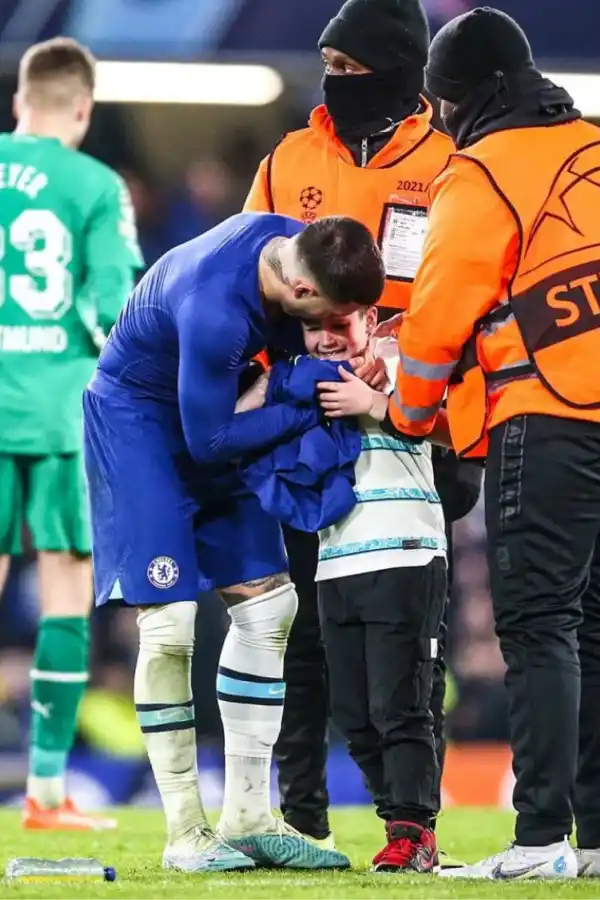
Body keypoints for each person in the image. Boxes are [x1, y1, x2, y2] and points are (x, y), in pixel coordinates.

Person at [317, 6, 600, 881]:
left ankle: (542, 839)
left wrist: (407, 415)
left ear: (467, 97)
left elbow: (438, 319)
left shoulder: (483, 168)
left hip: (546, 410)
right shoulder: (592, 145)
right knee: (592, 630)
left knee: (537, 622)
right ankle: (591, 841)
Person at [244, 0, 478, 862]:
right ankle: (301, 816)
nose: (335, 82)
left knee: (408, 636)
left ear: (397, 67)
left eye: (351, 68)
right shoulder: (289, 161)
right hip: (309, 429)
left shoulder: (455, 164)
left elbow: (475, 292)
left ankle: (408, 823)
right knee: (304, 628)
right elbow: (253, 282)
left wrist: (422, 380)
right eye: (328, 67)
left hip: (422, 431)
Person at [83, 211, 385, 872]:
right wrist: (312, 403)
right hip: (142, 429)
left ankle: (249, 815)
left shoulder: (289, 239)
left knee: (270, 606)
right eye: (333, 318)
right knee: (169, 625)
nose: (334, 333)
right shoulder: (215, 306)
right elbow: (209, 441)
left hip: (217, 407)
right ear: (304, 292)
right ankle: (185, 833)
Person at [0, 37, 143, 830]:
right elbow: (108, 311)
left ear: (22, 100)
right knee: (64, 591)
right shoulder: (95, 185)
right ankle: (46, 793)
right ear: (82, 110)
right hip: (60, 412)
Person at [308, 307, 448, 872]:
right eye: (314, 327)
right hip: (334, 559)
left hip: (406, 549)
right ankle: (401, 822)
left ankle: (413, 831)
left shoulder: (403, 359)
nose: (325, 339)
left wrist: (377, 405)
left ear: (368, 318)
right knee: (351, 713)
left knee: (401, 704)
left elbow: (457, 424)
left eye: (339, 325)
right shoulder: (304, 380)